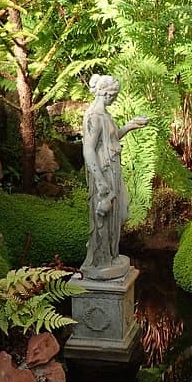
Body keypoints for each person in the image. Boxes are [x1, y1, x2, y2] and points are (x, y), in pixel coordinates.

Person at [81, 74, 149, 279]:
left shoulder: (105, 114)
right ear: (105, 93)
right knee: (104, 216)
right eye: (114, 95)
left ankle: (112, 254)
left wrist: (129, 126)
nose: (115, 98)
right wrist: (100, 181)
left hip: (112, 169)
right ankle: (102, 260)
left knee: (119, 214)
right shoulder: (94, 116)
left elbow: (110, 139)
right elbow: (88, 149)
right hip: (103, 171)